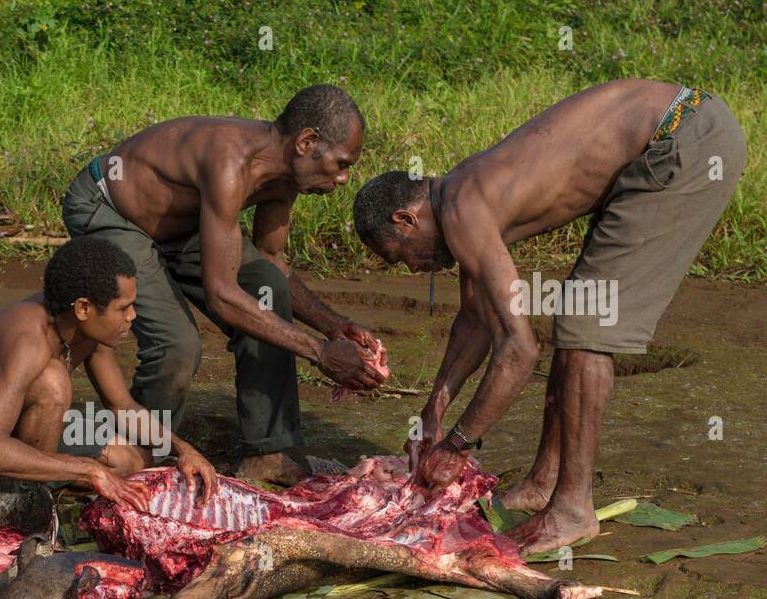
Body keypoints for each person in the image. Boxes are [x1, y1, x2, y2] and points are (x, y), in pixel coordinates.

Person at [352, 80, 745, 552]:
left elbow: (518, 350)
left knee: (585, 327)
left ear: (405, 218)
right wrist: (432, 413)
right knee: (579, 311)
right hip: (674, 134)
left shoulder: (463, 210)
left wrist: (457, 445)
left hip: (683, 141)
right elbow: (475, 320)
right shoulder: (458, 197)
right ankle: (545, 482)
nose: (415, 268)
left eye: (402, 257)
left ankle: (573, 509)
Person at [61, 85, 388, 485]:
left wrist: (332, 325)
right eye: (340, 163)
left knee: (266, 285)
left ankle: (267, 451)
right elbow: (223, 295)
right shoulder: (230, 161)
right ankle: (140, 457)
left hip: (182, 226)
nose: (342, 178)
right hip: (112, 210)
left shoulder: (284, 176)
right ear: (307, 142)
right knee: (176, 341)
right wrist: (321, 353)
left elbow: (273, 262)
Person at [0, 236, 217, 507]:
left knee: (135, 460)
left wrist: (183, 449)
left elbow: (123, 407)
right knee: (52, 382)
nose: (132, 317)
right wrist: (87, 468)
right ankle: (18, 507)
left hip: (6, 431)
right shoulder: (28, 339)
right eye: (123, 308)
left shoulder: (87, 330)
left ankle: (32, 492)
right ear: (83, 308)